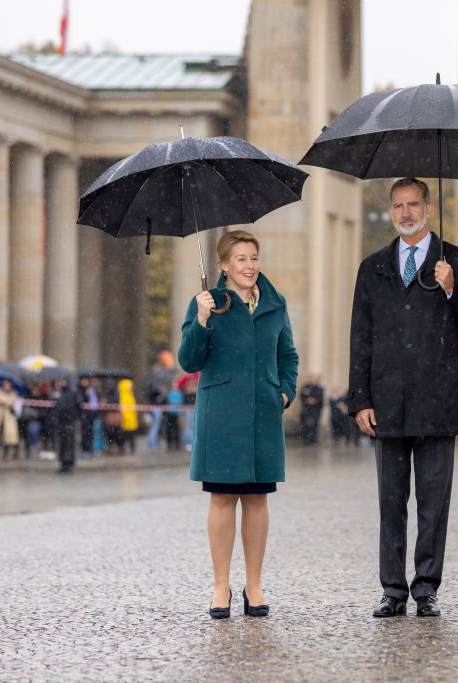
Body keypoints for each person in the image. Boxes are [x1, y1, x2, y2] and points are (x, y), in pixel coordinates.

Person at [348, 177, 458, 618]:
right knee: (390, 503)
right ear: (391, 211)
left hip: (438, 402)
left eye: (414, 205)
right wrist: (360, 400)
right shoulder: (372, 267)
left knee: (433, 503)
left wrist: (453, 289)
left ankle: (426, 587)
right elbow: (361, 338)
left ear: (429, 209)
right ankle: (392, 590)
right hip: (387, 402)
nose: (406, 213)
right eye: (398, 206)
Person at [178, 229, 299, 619]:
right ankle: (220, 587)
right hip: (221, 412)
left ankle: (255, 585)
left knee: (257, 499)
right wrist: (200, 319)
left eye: (254, 257)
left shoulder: (275, 304)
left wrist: (284, 391)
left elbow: (289, 356)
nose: (250, 266)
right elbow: (189, 360)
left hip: (263, 412)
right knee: (222, 498)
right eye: (241, 259)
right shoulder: (208, 303)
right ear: (224, 266)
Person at [53, 377, 82, 473]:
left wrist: (74, 416)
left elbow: (78, 406)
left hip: (69, 421)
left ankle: (69, 463)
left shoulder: (72, 393)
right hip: (61, 422)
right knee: (62, 443)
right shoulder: (58, 393)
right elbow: (55, 407)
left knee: (69, 442)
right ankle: (62, 463)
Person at [0, 379, 20, 459]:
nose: (6, 386)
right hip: (0, 417)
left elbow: (14, 403)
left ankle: (12, 453)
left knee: (10, 437)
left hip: (9, 418)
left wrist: (7, 401)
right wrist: (0, 401)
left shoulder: (13, 393)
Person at [298, 374, 325, 446]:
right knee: (306, 425)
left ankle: (313, 440)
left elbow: (321, 399)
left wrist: (315, 401)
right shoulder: (305, 387)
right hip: (306, 409)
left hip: (316, 410)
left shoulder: (320, 389)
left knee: (315, 425)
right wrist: (307, 400)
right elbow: (302, 397)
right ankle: (306, 440)